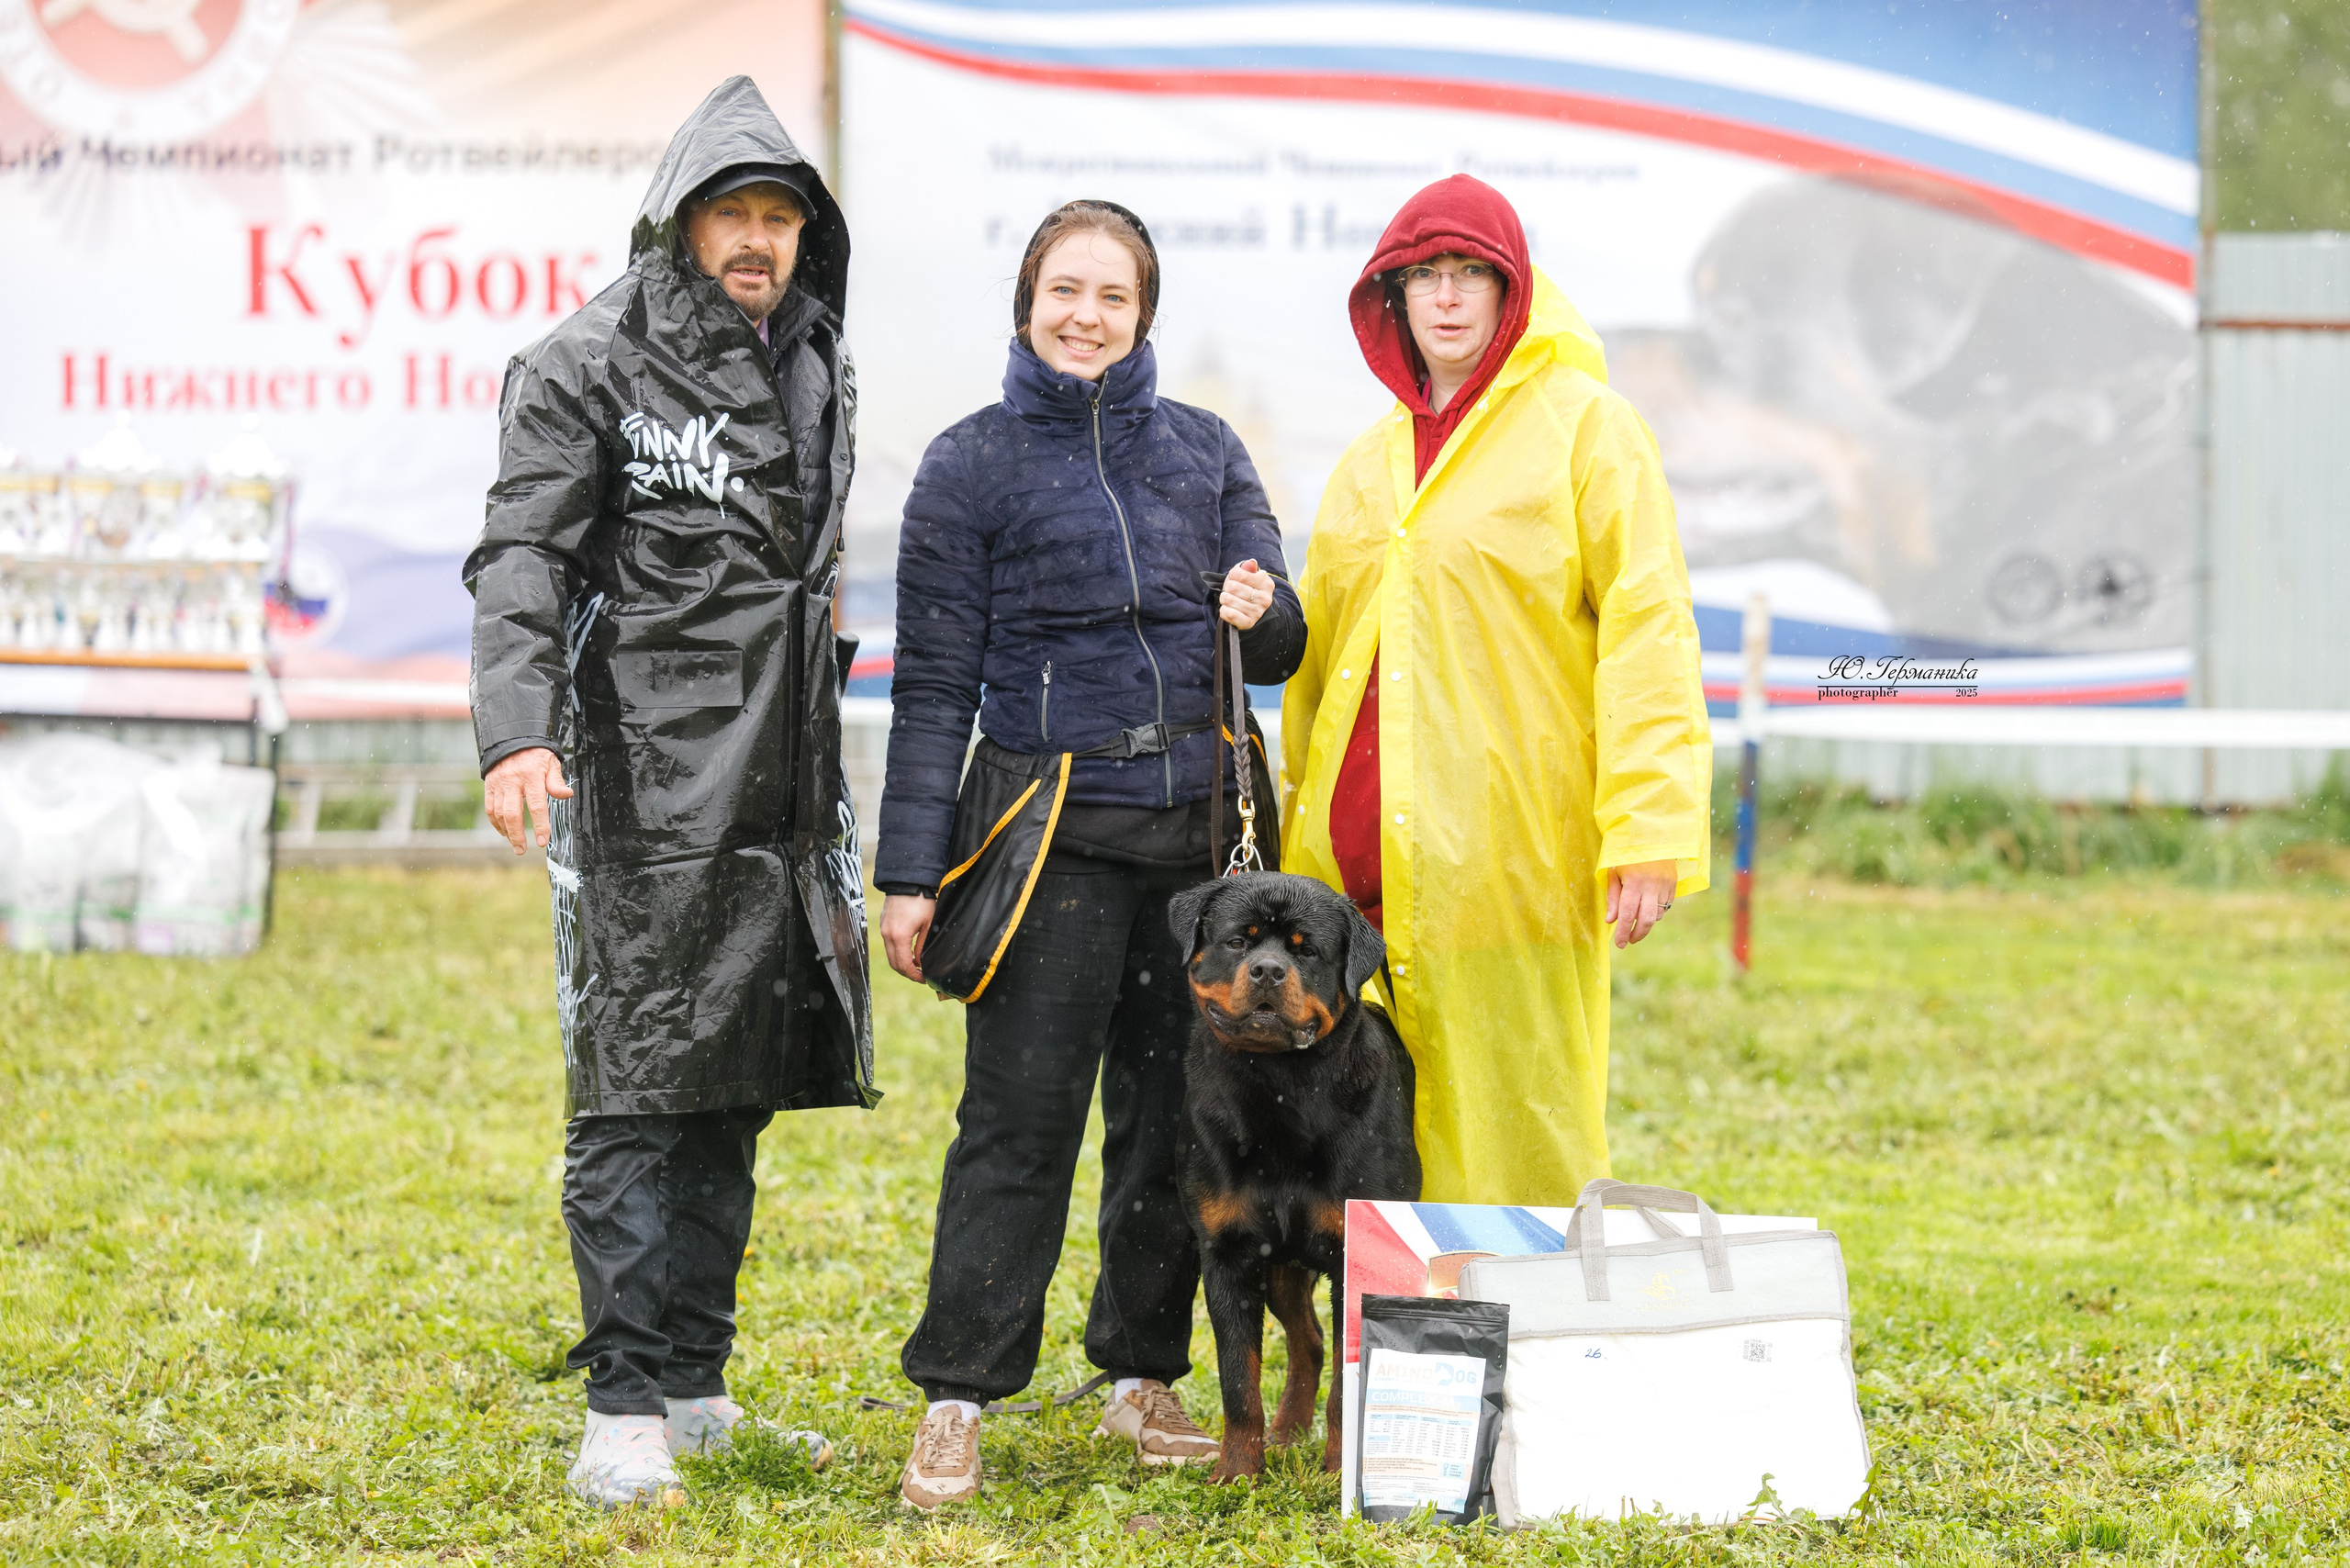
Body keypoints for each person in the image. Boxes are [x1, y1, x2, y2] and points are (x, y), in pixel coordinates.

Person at [464, 76, 873, 1508]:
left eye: (779, 218)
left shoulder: (816, 361)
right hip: (639, 785)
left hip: (780, 791)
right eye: (732, 213)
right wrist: (517, 735)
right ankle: (621, 1410)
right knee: (635, 1088)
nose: (757, 239)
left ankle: (695, 1388)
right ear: (680, 222)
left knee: (732, 1086)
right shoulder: (586, 361)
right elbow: (522, 555)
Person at [876, 199, 1306, 1508]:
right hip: (1046, 843)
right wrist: (910, 873)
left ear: (1144, 314)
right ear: (1027, 304)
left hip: (1200, 860)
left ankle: (1141, 1376)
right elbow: (932, 687)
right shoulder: (967, 464)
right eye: (1065, 290)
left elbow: (1280, 645)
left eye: (1113, 296)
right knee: (1017, 1124)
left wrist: (1263, 608)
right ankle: (958, 1396)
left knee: (1174, 1126)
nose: (1087, 315)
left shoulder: (1208, 450)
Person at [1281, 174, 1711, 1208]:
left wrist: (1647, 826)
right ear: (1390, 295)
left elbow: (1648, 631)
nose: (1445, 297)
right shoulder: (1368, 462)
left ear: (1512, 289)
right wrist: (1294, 833)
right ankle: (1390, 1317)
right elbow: (1320, 671)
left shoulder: (1587, 429)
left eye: (1470, 273)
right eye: (1422, 274)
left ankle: (1527, 1304)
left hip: (1508, 859)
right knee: (1355, 1149)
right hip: (1351, 876)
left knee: (1520, 1119)